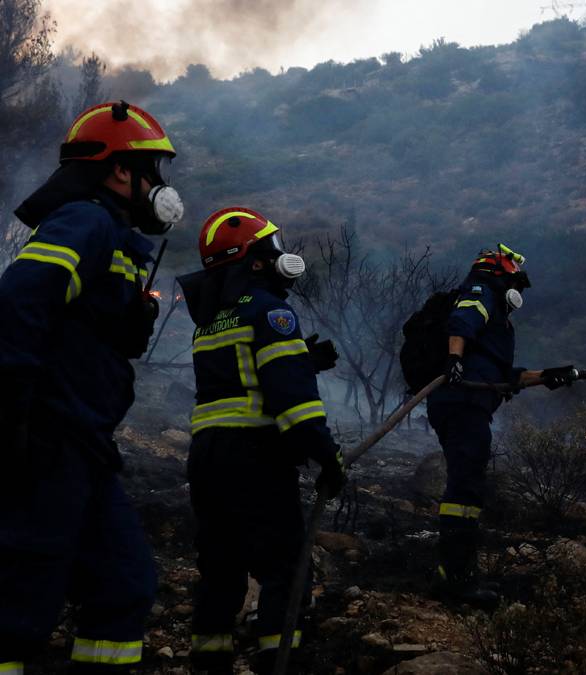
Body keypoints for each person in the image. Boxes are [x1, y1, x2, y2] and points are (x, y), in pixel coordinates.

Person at [0, 101, 184, 673]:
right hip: (51, 435)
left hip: (84, 442)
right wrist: (14, 414)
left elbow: (87, 326)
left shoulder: (113, 236)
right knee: (22, 601)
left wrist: (129, 318)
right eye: (154, 169)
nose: (161, 185)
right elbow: (19, 302)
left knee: (122, 585)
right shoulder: (86, 220)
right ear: (120, 170)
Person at [178, 207, 344, 674]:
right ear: (254, 261)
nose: (281, 258)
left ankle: (208, 662)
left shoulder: (209, 322)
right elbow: (292, 401)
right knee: (284, 566)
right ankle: (278, 659)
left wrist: (302, 359)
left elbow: (240, 381)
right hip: (255, 457)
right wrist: (327, 455)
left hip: (208, 458)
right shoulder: (272, 312)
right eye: (272, 249)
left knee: (220, 567)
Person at [426, 244, 576, 607]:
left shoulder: (496, 322)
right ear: (500, 273)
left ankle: (459, 573)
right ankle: (456, 579)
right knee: (464, 492)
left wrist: (547, 377)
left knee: (469, 487)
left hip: (470, 402)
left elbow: (502, 378)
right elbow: (462, 321)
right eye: (515, 281)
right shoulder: (481, 291)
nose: (518, 292)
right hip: (462, 403)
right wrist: (454, 361)